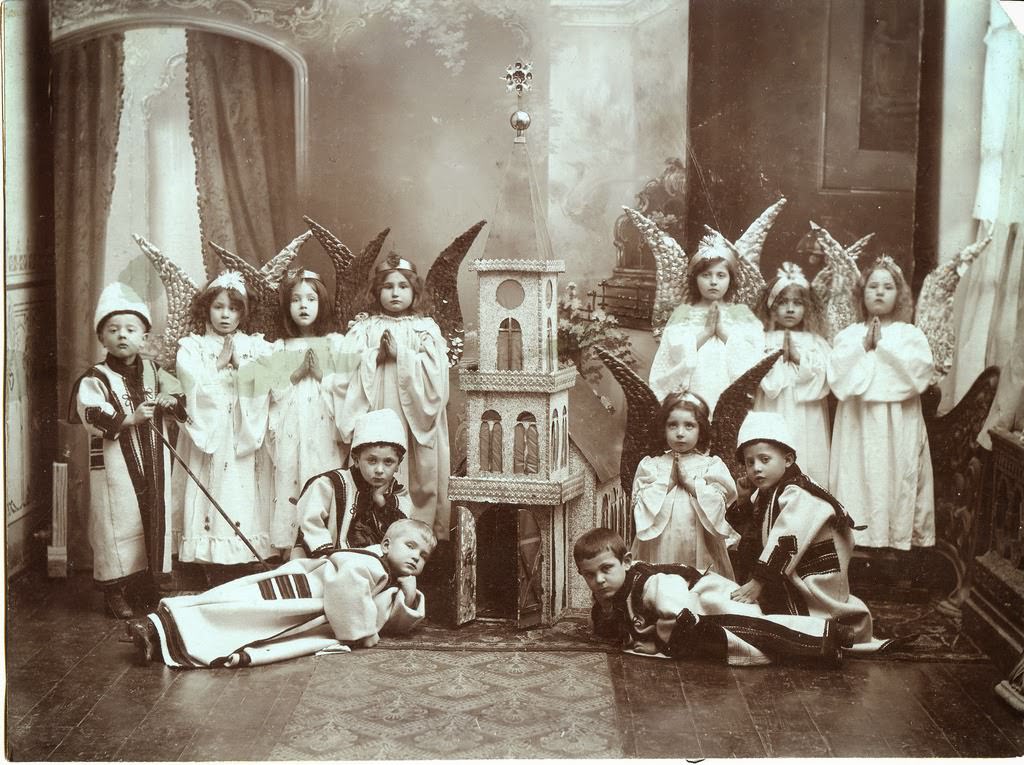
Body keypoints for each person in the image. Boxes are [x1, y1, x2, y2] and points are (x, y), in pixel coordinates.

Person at [127, 519, 435, 668]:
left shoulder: (390, 576)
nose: (415, 558)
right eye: (409, 547)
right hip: (298, 592)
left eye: (422, 556)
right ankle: (154, 625)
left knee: (241, 620)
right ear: (385, 545)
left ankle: (158, 631)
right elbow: (346, 592)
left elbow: (390, 618)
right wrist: (363, 634)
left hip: (303, 603)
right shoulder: (366, 563)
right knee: (234, 607)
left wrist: (408, 596)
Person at [574, 527, 881, 666]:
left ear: (626, 562)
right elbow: (615, 627)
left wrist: (659, 644)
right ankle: (825, 649)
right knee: (747, 646)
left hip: (708, 599)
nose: (599, 580)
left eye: (606, 569)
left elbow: (680, 611)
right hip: (695, 620)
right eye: (589, 575)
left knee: (749, 632)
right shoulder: (612, 597)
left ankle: (829, 636)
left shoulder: (648, 582)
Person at [69, 282, 188, 618]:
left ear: (144, 337)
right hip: (116, 464)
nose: (122, 335)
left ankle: (147, 585)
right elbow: (91, 411)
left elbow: (177, 393)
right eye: (113, 329)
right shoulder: (97, 377)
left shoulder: (153, 370)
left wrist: (170, 399)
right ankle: (115, 590)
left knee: (150, 515)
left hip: (152, 458)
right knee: (117, 521)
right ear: (102, 338)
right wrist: (128, 419)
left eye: (130, 329)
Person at [729, 412, 873, 644]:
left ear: (788, 460)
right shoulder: (771, 490)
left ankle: (824, 629)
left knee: (772, 622)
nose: (756, 468)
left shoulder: (799, 492)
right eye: (750, 462)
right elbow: (752, 531)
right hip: (790, 569)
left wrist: (758, 582)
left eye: (765, 460)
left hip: (813, 579)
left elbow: (786, 540)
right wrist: (744, 500)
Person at [336, 252, 450, 539]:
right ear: (377, 292)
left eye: (403, 286)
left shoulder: (425, 329)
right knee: (375, 462)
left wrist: (403, 357)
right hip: (374, 407)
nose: (395, 293)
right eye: (388, 287)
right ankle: (368, 535)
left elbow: (437, 379)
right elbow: (343, 371)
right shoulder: (364, 329)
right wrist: (374, 356)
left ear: (415, 291)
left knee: (416, 468)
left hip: (413, 417)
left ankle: (416, 536)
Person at [827, 256, 935, 552]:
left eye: (887, 287)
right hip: (858, 421)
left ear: (898, 294)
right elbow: (837, 377)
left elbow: (917, 376)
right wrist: (863, 346)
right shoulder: (849, 335)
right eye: (873, 286)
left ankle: (895, 540)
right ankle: (858, 540)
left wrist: (882, 346)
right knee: (857, 476)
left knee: (895, 477)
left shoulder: (909, 335)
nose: (879, 292)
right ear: (862, 293)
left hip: (897, 422)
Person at [174, 272, 276, 568]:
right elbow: (190, 387)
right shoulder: (193, 347)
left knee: (241, 487)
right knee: (211, 481)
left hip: (241, 432)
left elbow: (268, 386)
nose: (225, 315)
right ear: (207, 307)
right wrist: (218, 364)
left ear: (243, 313)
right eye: (219, 307)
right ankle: (207, 556)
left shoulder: (257, 346)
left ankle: (244, 553)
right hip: (210, 433)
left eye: (233, 308)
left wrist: (241, 365)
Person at [248, 269, 353, 556]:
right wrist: (296, 373)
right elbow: (272, 390)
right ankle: (290, 546)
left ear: (323, 304)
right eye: (296, 300)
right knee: (290, 475)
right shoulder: (279, 346)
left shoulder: (335, 343)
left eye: (310, 299)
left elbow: (347, 386)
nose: (303, 306)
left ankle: (324, 542)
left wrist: (320, 375)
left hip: (323, 423)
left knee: (323, 474)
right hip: (291, 424)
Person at [649, 232, 764, 412]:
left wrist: (723, 333)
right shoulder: (684, 314)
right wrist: (706, 333)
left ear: (731, 279)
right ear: (695, 278)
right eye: (706, 275)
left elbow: (755, 357)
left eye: (720, 275)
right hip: (695, 386)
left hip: (727, 385)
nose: (713, 282)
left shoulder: (741, 314)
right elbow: (670, 356)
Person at [631, 391, 739, 578]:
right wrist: (671, 481)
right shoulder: (652, 465)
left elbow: (720, 503)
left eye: (689, 426)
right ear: (663, 428)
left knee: (700, 585)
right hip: (659, 543)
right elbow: (640, 506)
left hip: (700, 542)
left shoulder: (710, 466)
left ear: (701, 429)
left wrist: (690, 483)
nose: (680, 433)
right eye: (673, 425)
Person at [753, 262, 832, 486]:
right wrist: (775, 359)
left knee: (807, 455)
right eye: (783, 303)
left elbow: (826, 377)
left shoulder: (816, 342)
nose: (790, 309)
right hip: (773, 407)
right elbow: (762, 381)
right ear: (771, 307)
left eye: (797, 303)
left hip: (807, 412)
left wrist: (799, 359)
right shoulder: (763, 340)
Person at [293, 408, 412, 558]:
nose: (379, 470)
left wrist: (382, 502)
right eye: (372, 460)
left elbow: (404, 531)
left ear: (398, 465)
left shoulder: (397, 494)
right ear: (356, 460)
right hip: (329, 558)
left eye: (388, 462)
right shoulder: (331, 484)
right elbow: (310, 521)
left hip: (374, 562)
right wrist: (327, 555)